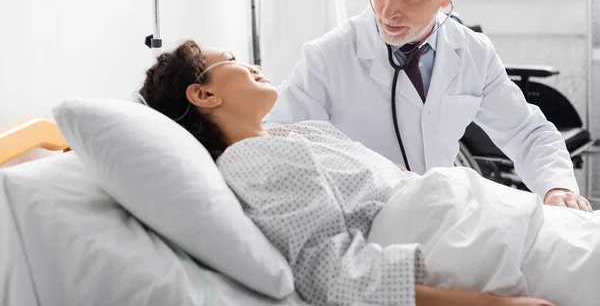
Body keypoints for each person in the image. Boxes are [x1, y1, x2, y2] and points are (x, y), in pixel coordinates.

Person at [138, 40, 599, 306]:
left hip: (491, 217)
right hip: (467, 238)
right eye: (233, 60)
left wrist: (556, 186)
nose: (253, 65)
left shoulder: (297, 135)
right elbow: (333, 273)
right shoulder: (248, 159)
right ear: (203, 96)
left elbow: (525, 130)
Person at [263, 0, 592, 212]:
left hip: (442, 217)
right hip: (366, 221)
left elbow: (526, 132)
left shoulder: (472, 52)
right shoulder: (328, 57)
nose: (388, 11)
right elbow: (276, 142)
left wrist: (557, 187)